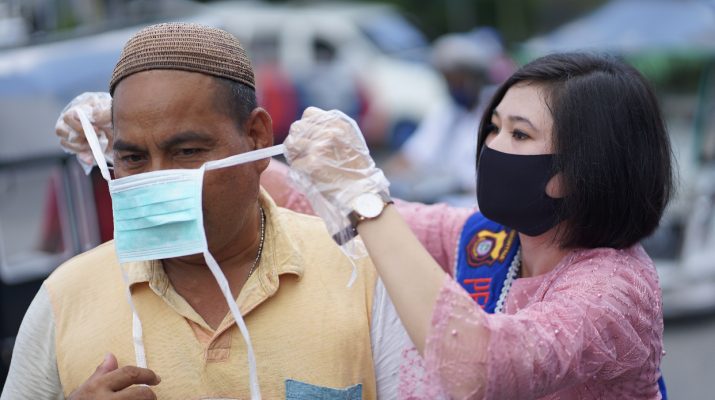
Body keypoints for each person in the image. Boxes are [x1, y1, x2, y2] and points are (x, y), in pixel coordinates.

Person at [1, 23, 411, 400]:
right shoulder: (66, 298)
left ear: (256, 138)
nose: (158, 180)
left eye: (187, 151)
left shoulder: (361, 276)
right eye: (133, 158)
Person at [284, 53, 673, 399]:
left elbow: (478, 370)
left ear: (584, 168)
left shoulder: (614, 289)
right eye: (493, 127)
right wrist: (260, 163)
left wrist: (363, 197)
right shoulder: (494, 236)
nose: (492, 146)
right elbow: (334, 211)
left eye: (519, 134)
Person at [384, 29, 514, 205]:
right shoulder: (446, 111)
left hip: (478, 205)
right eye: (448, 80)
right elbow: (413, 155)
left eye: (459, 80)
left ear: (476, 77)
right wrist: (380, 178)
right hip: (441, 203)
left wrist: (457, 186)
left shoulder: (499, 111)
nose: (453, 87)